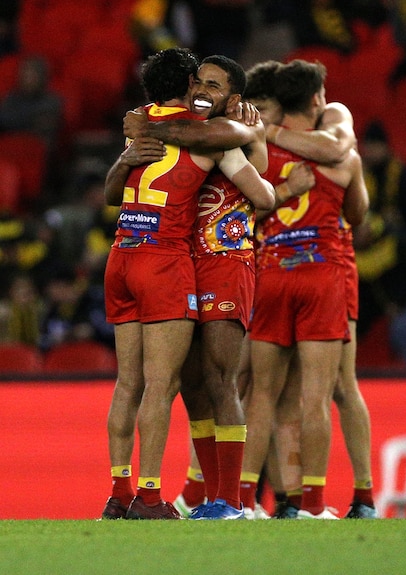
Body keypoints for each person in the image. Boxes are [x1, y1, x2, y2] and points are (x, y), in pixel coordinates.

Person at [100, 47, 274, 520]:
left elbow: (112, 193)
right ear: (185, 86)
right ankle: (151, 497)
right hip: (167, 262)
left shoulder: (146, 122)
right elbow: (263, 190)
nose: (202, 91)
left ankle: (126, 493)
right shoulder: (207, 136)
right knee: (168, 384)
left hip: (136, 254)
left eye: (212, 85)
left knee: (143, 383)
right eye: (198, 82)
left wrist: (134, 146)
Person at [244, 58, 377, 519]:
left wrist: (270, 138)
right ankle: (307, 502)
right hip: (327, 271)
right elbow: (358, 211)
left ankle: (251, 501)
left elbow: (236, 210)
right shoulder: (343, 160)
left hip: (275, 272)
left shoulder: (262, 148)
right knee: (322, 391)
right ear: (314, 97)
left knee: (269, 392)